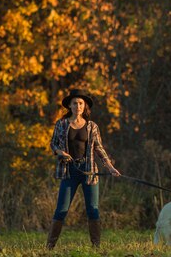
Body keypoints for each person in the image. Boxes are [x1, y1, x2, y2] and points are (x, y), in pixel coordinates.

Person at [46, 89, 121, 249]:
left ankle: (96, 247)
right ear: (70, 106)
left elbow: (99, 149)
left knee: (93, 211)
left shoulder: (92, 126)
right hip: (69, 171)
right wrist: (60, 152)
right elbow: (53, 143)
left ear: (84, 105)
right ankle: (49, 247)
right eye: (75, 103)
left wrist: (110, 167)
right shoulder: (62, 124)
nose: (78, 106)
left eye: (81, 103)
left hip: (89, 171)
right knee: (61, 209)